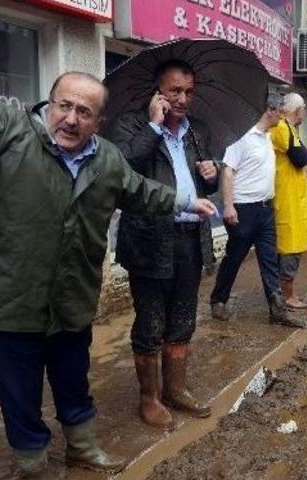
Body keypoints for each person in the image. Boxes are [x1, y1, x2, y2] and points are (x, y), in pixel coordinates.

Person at [0, 51, 216, 476]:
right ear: (49, 104)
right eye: (64, 106)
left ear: (98, 122)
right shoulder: (9, 131)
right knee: (19, 390)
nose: (71, 119)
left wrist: (186, 201)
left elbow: (141, 190)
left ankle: (82, 448)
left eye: (84, 112)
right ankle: (33, 462)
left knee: (74, 379)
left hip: (71, 297)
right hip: (9, 300)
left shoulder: (106, 158)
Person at [105, 60, 219, 431]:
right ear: (158, 91)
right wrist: (153, 126)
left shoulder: (196, 131)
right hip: (149, 239)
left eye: (188, 91)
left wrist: (212, 174)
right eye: (175, 91)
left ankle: (176, 389)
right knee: (151, 322)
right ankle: (149, 398)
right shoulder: (131, 125)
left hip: (190, 238)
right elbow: (121, 169)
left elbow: (203, 184)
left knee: (183, 319)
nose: (183, 99)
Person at [209, 93, 304, 328]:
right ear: (269, 111)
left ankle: (277, 310)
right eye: (280, 113)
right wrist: (228, 206)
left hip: (265, 209)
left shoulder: (268, 138)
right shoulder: (243, 139)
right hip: (244, 210)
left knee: (269, 260)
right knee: (235, 257)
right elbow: (227, 172)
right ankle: (218, 300)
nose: (282, 118)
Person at [270, 92, 307, 311]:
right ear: (298, 110)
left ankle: (284, 293)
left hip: (293, 198)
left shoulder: (289, 129)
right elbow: (302, 157)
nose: (304, 112)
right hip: (287, 199)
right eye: (303, 109)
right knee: (289, 248)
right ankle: (287, 296)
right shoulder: (281, 127)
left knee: (291, 247)